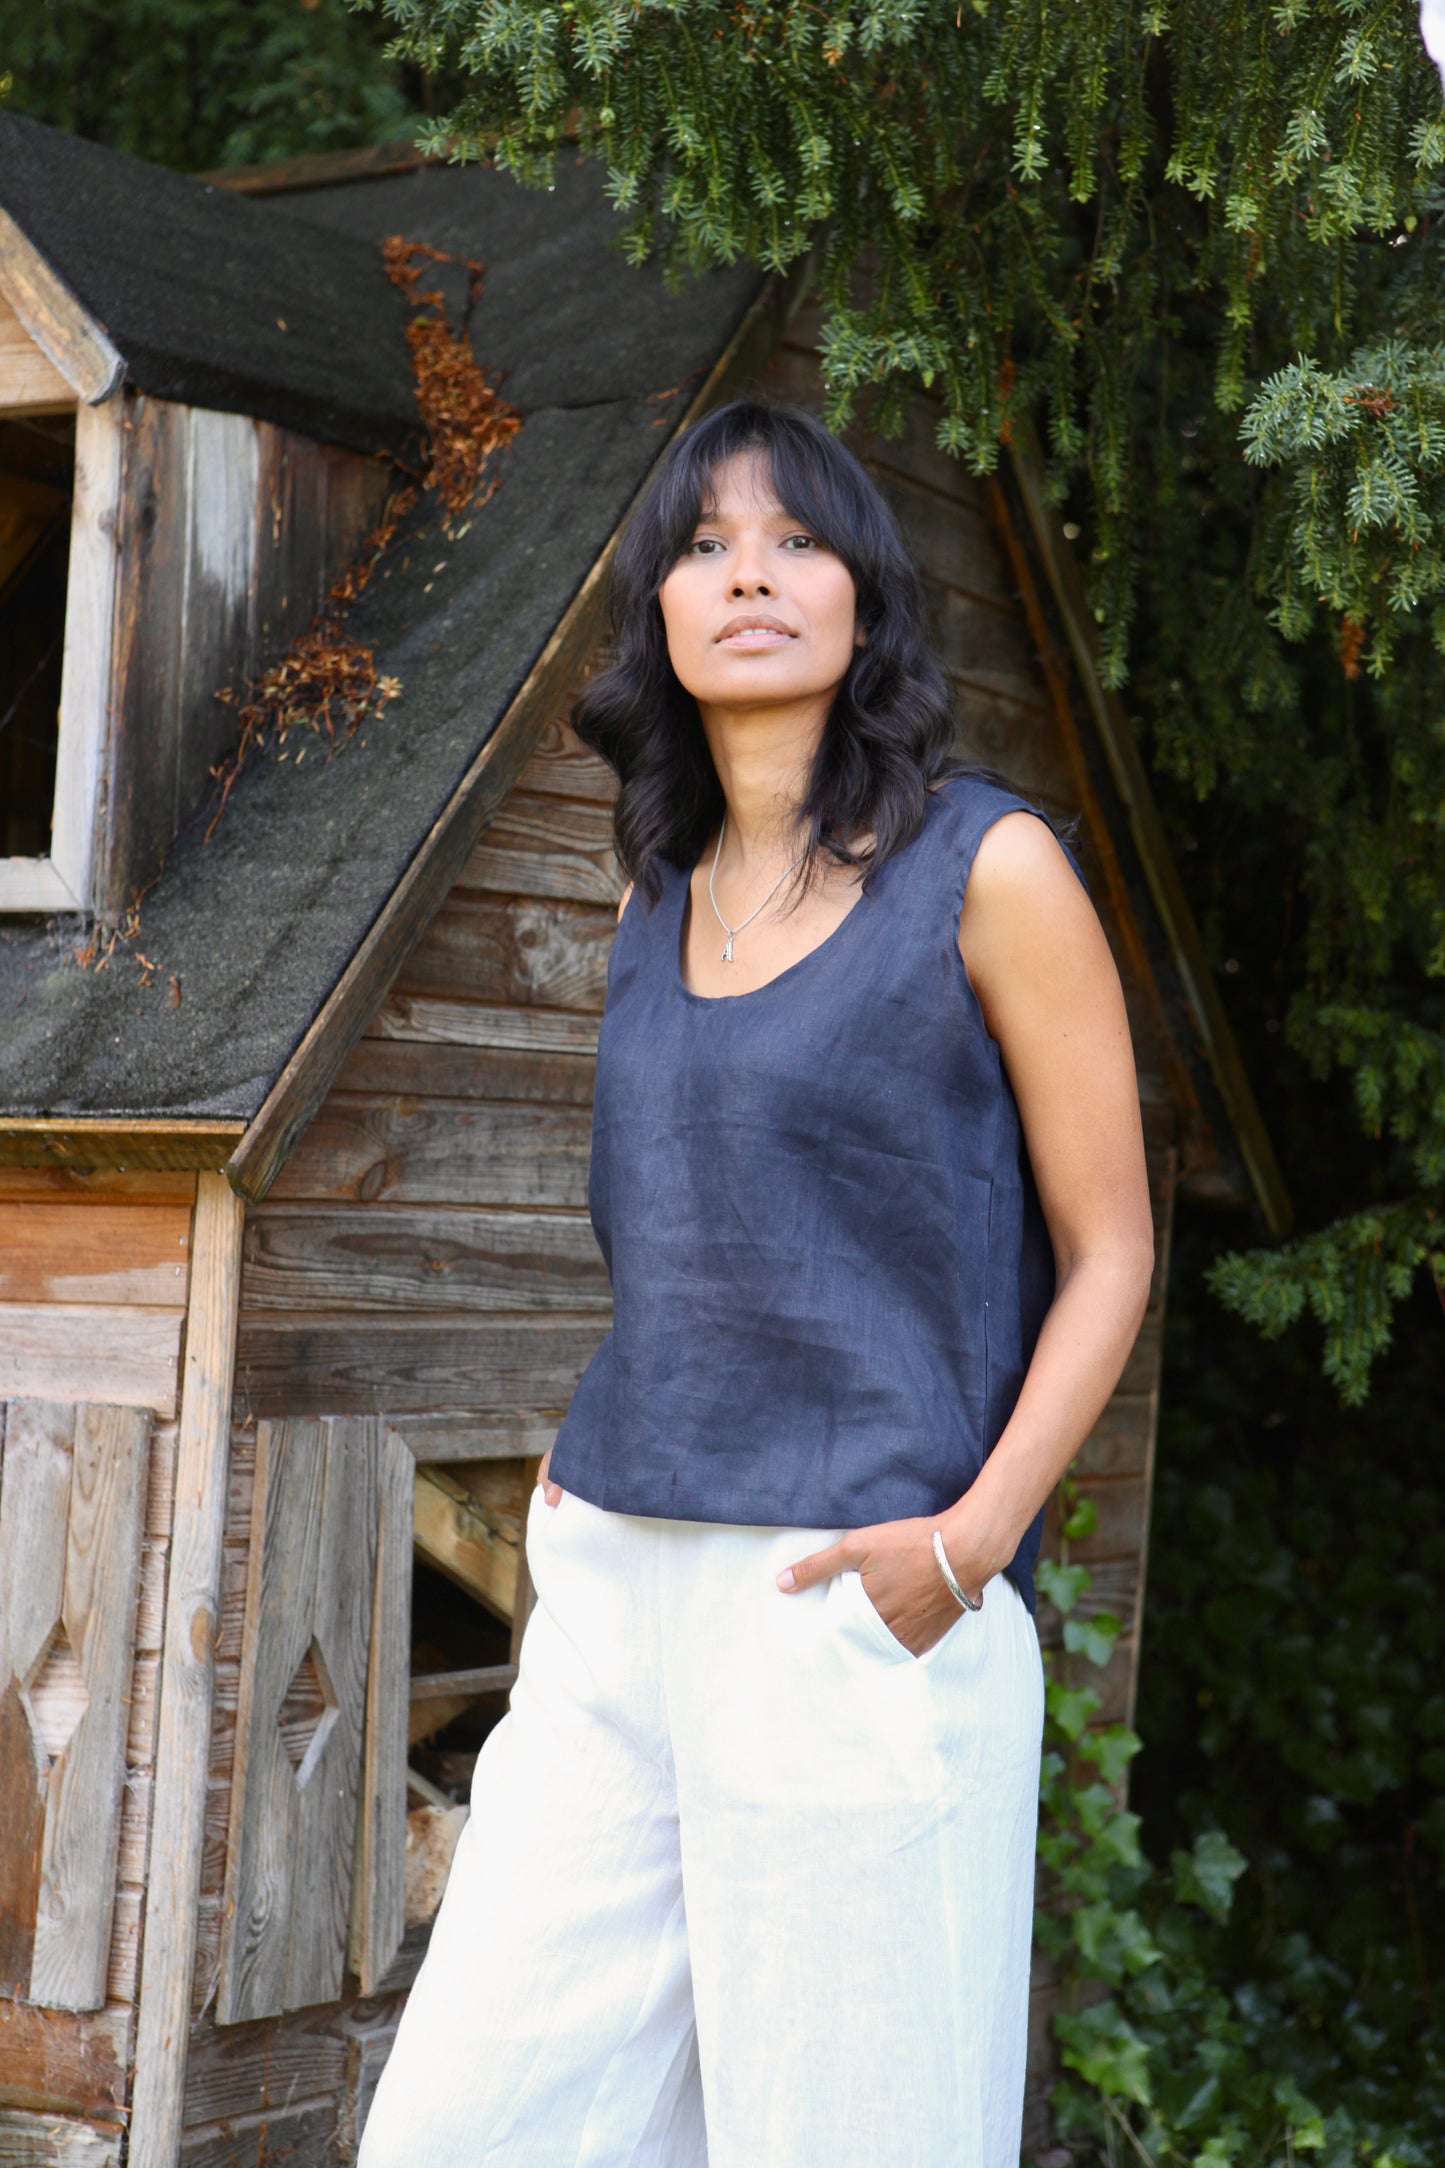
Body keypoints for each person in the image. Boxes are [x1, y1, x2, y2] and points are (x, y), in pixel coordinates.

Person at [358, 400, 1154, 2166]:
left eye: (795, 540)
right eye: (705, 546)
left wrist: (963, 1551)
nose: (750, 577)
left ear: (864, 596)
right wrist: (595, 1460)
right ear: (655, 609)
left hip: (849, 1603)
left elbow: (1114, 1248)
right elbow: (688, 1227)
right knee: (468, 2132)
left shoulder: (988, 869)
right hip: (616, 1591)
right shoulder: (662, 897)